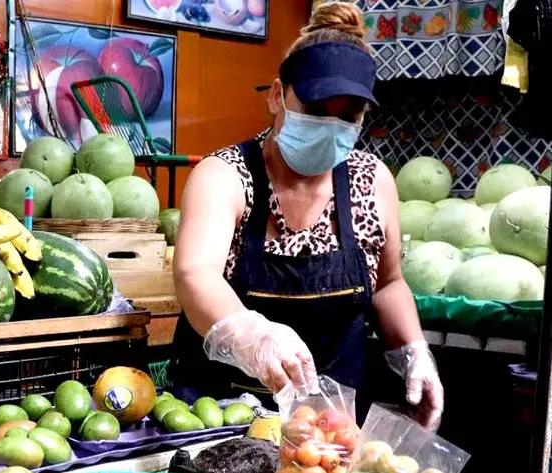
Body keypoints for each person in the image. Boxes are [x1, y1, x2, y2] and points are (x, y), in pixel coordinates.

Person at [170, 2, 443, 429]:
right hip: (220, 416)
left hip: (328, 433)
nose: (331, 126)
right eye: (316, 111)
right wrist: (252, 334)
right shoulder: (225, 176)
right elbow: (194, 273)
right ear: (278, 95)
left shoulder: (372, 181)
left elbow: (388, 284)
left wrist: (413, 352)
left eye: (348, 116)